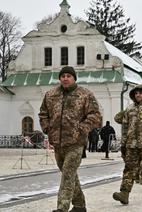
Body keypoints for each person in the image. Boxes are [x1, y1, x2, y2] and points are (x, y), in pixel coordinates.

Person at [38, 66, 101, 212]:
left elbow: (95, 115)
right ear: (60, 78)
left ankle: (62, 208)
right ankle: (79, 205)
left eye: (68, 76)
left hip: (76, 142)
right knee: (70, 174)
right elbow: (43, 113)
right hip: (57, 142)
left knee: (67, 173)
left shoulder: (85, 94)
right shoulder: (50, 94)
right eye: (63, 76)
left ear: (74, 78)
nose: (65, 78)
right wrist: (47, 128)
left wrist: (81, 129)